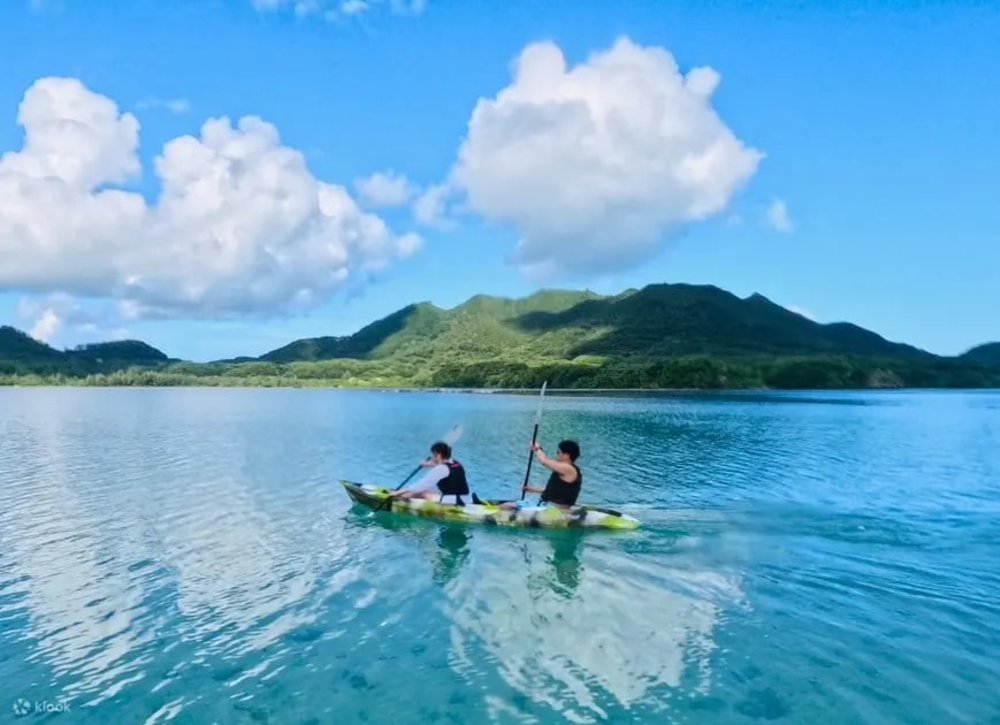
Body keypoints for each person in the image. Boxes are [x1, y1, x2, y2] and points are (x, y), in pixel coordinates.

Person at [503, 439, 583, 510]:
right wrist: (533, 489)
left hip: (553, 509)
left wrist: (537, 448)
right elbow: (556, 491)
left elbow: (544, 461)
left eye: (558, 452)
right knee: (509, 505)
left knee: (507, 506)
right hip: (550, 506)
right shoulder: (567, 469)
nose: (557, 454)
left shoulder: (568, 469)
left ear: (566, 455)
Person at [393, 441, 469, 505]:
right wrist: (427, 464)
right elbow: (445, 467)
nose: (432, 457)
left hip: (454, 500)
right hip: (466, 498)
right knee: (430, 489)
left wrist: (401, 491)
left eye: (433, 454)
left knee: (421, 492)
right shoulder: (456, 463)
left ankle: (396, 499)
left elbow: (421, 485)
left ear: (438, 455)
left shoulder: (440, 469)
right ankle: (401, 495)